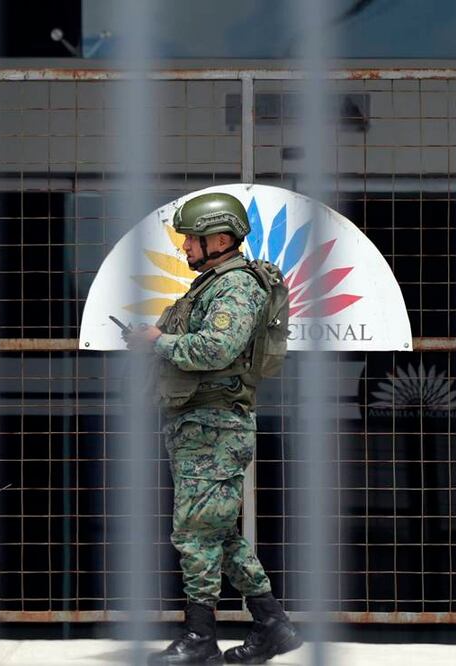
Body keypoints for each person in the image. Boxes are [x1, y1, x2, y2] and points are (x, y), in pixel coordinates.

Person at [124, 192, 301, 665]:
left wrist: (159, 341)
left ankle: (200, 638)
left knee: (195, 535)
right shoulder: (212, 285)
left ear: (220, 239)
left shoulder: (236, 287)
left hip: (215, 426)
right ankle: (272, 625)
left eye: (191, 239)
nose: (184, 248)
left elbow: (216, 349)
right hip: (201, 424)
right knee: (219, 533)